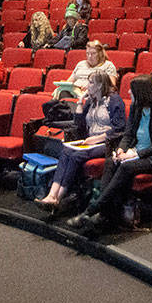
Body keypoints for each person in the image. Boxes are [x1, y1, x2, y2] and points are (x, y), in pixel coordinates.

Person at [67, 76, 152, 234]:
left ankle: (91, 211)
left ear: (142, 92)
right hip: (133, 152)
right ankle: (104, 214)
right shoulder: (136, 107)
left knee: (126, 167)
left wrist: (134, 154)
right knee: (110, 162)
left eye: (133, 90)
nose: (129, 92)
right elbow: (128, 135)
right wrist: (121, 150)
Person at [35, 72, 125, 210]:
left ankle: (58, 198)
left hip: (107, 143)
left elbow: (119, 128)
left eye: (91, 82)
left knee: (76, 156)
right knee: (66, 152)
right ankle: (51, 195)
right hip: (89, 142)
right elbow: (79, 125)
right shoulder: (91, 100)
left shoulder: (114, 100)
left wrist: (98, 138)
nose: (87, 85)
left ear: (100, 85)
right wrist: (79, 103)